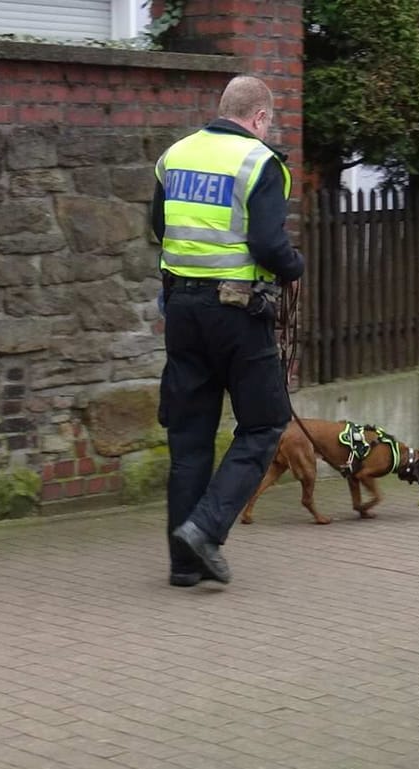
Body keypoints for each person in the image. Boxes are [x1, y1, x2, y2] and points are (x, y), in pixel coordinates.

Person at [151, 75, 304, 587]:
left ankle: (183, 566)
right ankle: (207, 527)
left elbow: (160, 226)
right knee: (265, 423)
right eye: (268, 123)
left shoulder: (174, 156)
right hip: (236, 312)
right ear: (259, 118)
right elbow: (267, 243)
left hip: (181, 309)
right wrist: (294, 266)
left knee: (190, 437)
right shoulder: (260, 162)